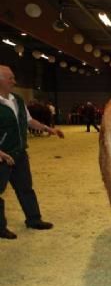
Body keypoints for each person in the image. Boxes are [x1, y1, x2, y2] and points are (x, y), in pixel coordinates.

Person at [0, 65, 64, 240]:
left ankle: (34, 219)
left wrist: (48, 128)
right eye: (10, 78)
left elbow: (29, 121)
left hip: (19, 154)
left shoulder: (18, 100)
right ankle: (0, 227)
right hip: (2, 156)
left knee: (25, 188)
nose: (14, 81)